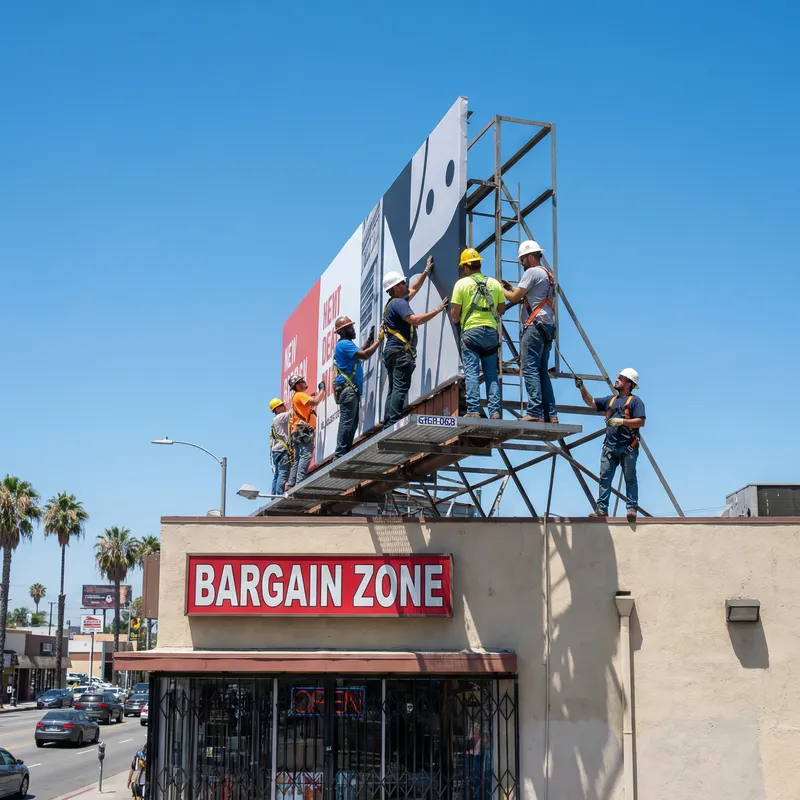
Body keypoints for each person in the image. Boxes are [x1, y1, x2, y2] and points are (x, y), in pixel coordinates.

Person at [381, 255, 449, 428]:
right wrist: (437, 309)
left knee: (393, 388)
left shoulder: (392, 303)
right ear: (396, 288)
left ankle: (389, 422)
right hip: (400, 353)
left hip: (392, 352)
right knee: (399, 388)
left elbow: (414, 288)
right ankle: (394, 422)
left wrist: (426, 271)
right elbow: (416, 320)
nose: (406, 284)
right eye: (402, 283)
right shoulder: (399, 304)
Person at [576, 368, 645, 522]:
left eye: (620, 378)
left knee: (630, 478)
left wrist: (622, 421)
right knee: (604, 479)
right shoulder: (610, 400)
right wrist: (582, 387)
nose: (617, 379)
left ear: (628, 383)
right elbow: (591, 402)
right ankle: (601, 509)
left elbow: (640, 421)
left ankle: (631, 508)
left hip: (628, 447)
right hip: (610, 448)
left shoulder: (635, 402)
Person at [501, 240, 557, 422]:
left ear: (530, 257)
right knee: (542, 371)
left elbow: (516, 297)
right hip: (547, 326)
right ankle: (551, 414)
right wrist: (512, 289)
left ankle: (534, 411)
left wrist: (500, 289)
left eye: (522, 259)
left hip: (534, 326)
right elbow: (529, 296)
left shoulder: (531, 272)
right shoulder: (547, 275)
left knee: (530, 369)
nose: (521, 263)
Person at [450, 249, 506, 418]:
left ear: (466, 267)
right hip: (490, 332)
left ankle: (474, 410)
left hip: (471, 333)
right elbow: (501, 309)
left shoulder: (461, 284)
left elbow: (454, 315)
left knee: (472, 373)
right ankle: (495, 412)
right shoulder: (494, 284)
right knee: (491, 375)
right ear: (479, 264)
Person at [332, 315, 381, 457]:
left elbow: (359, 353)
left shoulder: (345, 345)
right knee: (348, 422)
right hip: (349, 390)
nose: (353, 329)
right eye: (349, 327)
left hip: (349, 390)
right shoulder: (344, 344)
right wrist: (378, 340)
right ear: (342, 331)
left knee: (352, 423)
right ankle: (341, 453)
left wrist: (369, 340)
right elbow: (364, 355)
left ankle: (343, 452)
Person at [287, 374, 326, 488]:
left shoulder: (296, 397)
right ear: (298, 385)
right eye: (302, 381)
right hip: (303, 430)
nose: (305, 382)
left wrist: (313, 395)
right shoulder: (300, 395)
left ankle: (292, 483)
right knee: (306, 455)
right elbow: (314, 402)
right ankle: (300, 482)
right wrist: (322, 390)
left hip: (297, 430)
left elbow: (308, 403)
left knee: (298, 457)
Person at [269, 397, 291, 495]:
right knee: (283, 472)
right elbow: (294, 412)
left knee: (277, 475)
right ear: (277, 409)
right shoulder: (281, 417)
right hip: (282, 450)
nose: (284, 406)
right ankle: (279, 494)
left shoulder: (275, 420)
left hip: (276, 451)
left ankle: (274, 496)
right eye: (282, 405)